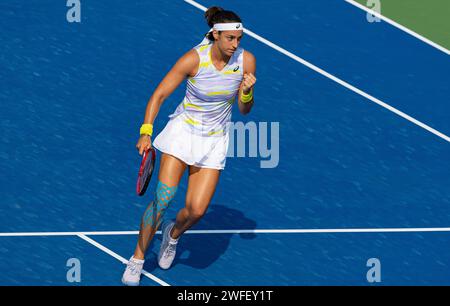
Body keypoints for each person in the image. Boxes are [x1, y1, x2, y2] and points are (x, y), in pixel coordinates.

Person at [122, 6, 256, 286]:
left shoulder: (246, 62)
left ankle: (172, 234)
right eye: (230, 38)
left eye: (239, 39)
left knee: (196, 211)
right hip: (182, 134)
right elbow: (159, 94)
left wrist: (246, 91)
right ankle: (136, 259)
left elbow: (245, 110)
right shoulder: (193, 59)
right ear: (216, 35)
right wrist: (146, 132)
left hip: (215, 140)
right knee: (163, 199)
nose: (235, 44)